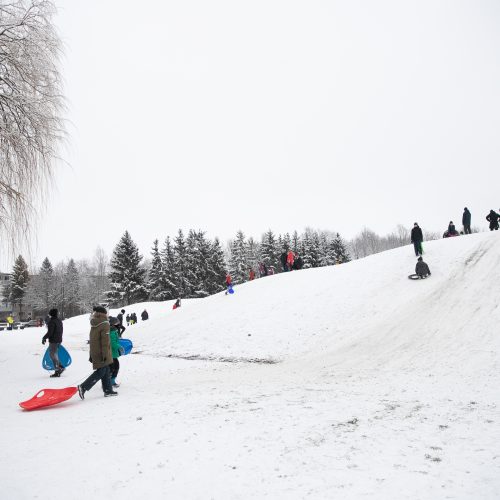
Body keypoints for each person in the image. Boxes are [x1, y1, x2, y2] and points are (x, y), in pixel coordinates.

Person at [77, 306, 117, 399]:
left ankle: (108, 390)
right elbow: (105, 341)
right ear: (104, 314)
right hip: (102, 352)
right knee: (102, 370)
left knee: (106, 369)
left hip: (95, 350)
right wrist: (105, 355)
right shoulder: (105, 323)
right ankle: (83, 387)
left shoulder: (95, 322)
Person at [42, 308, 64, 377]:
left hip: (54, 341)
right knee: (55, 354)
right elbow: (61, 330)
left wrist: (44, 338)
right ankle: (60, 366)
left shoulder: (52, 322)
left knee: (52, 355)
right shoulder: (59, 321)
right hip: (59, 340)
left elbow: (50, 332)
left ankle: (57, 370)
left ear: (51, 314)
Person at [108, 317, 123, 388]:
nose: (118, 324)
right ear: (112, 324)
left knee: (115, 367)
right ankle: (109, 382)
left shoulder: (113, 331)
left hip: (113, 353)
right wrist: (119, 347)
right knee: (113, 367)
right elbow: (112, 343)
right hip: (111, 353)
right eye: (116, 323)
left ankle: (111, 381)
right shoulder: (111, 332)